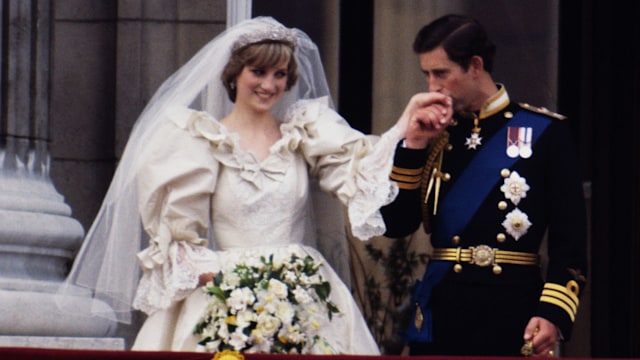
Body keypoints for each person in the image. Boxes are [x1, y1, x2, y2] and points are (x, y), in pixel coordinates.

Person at [58, 17, 450, 354]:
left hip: (306, 293)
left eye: (280, 74)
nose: (269, 84)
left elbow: (361, 172)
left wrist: (404, 129)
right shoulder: (199, 141)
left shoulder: (304, 133)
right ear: (234, 75)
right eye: (258, 72)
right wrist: (239, 291)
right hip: (226, 294)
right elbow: (181, 242)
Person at [380, 14, 588, 357]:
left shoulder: (545, 132)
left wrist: (552, 313)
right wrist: (413, 146)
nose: (432, 86)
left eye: (441, 73)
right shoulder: (432, 135)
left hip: (512, 310)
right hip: (443, 310)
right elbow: (395, 224)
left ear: (475, 66)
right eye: (427, 74)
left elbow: (571, 242)